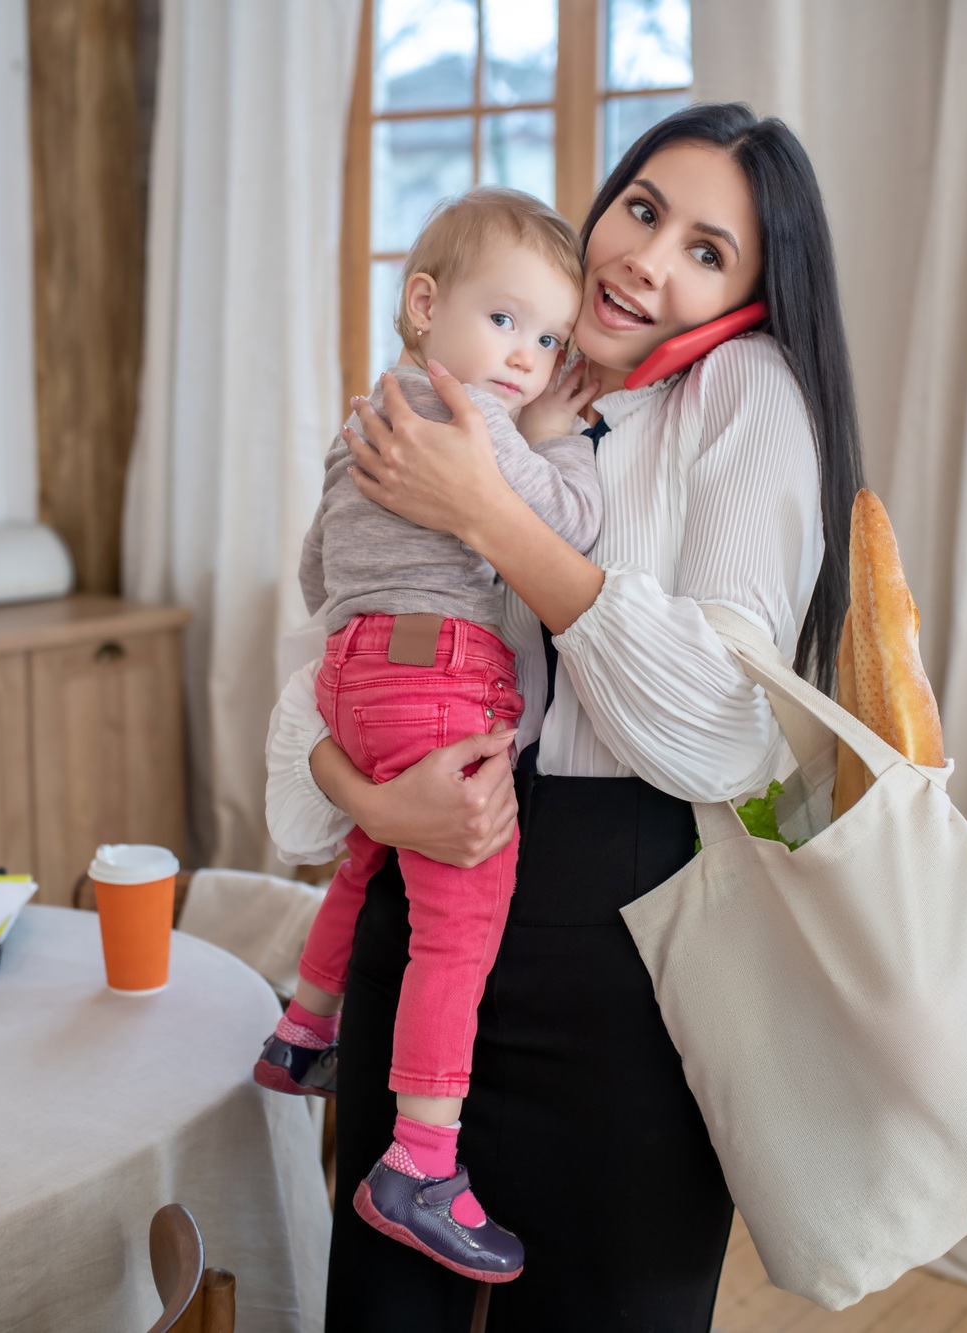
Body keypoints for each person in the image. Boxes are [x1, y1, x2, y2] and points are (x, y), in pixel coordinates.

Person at [267, 103, 865, 1331]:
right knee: (382, 1308)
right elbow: (330, 645)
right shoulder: (505, 372)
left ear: (754, 291)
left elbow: (715, 723)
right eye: (642, 211)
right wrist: (371, 798)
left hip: (618, 945)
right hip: (423, 872)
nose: (648, 257)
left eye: (707, 249)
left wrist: (495, 516)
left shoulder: (740, 396)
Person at [252, 185, 603, 1283]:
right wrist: (555, 434)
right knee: (460, 919)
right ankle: (418, 1160)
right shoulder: (478, 419)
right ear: (422, 304)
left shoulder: (365, 416)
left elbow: (315, 565)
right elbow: (569, 527)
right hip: (439, 671)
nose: (525, 357)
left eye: (548, 339)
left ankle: (304, 1027)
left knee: (368, 856)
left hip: (354, 668)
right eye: (505, 322)